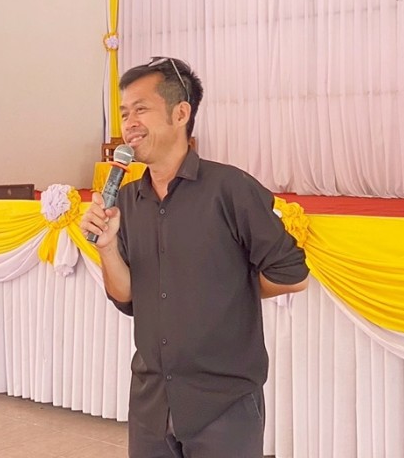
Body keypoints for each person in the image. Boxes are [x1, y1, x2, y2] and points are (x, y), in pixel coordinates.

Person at [80, 57, 309, 458]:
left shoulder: (230, 188)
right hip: (152, 401)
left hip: (224, 403)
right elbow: (127, 297)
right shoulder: (128, 201)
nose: (129, 123)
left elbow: (293, 275)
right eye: (124, 113)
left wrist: (229, 289)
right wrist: (107, 247)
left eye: (141, 109)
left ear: (181, 113)